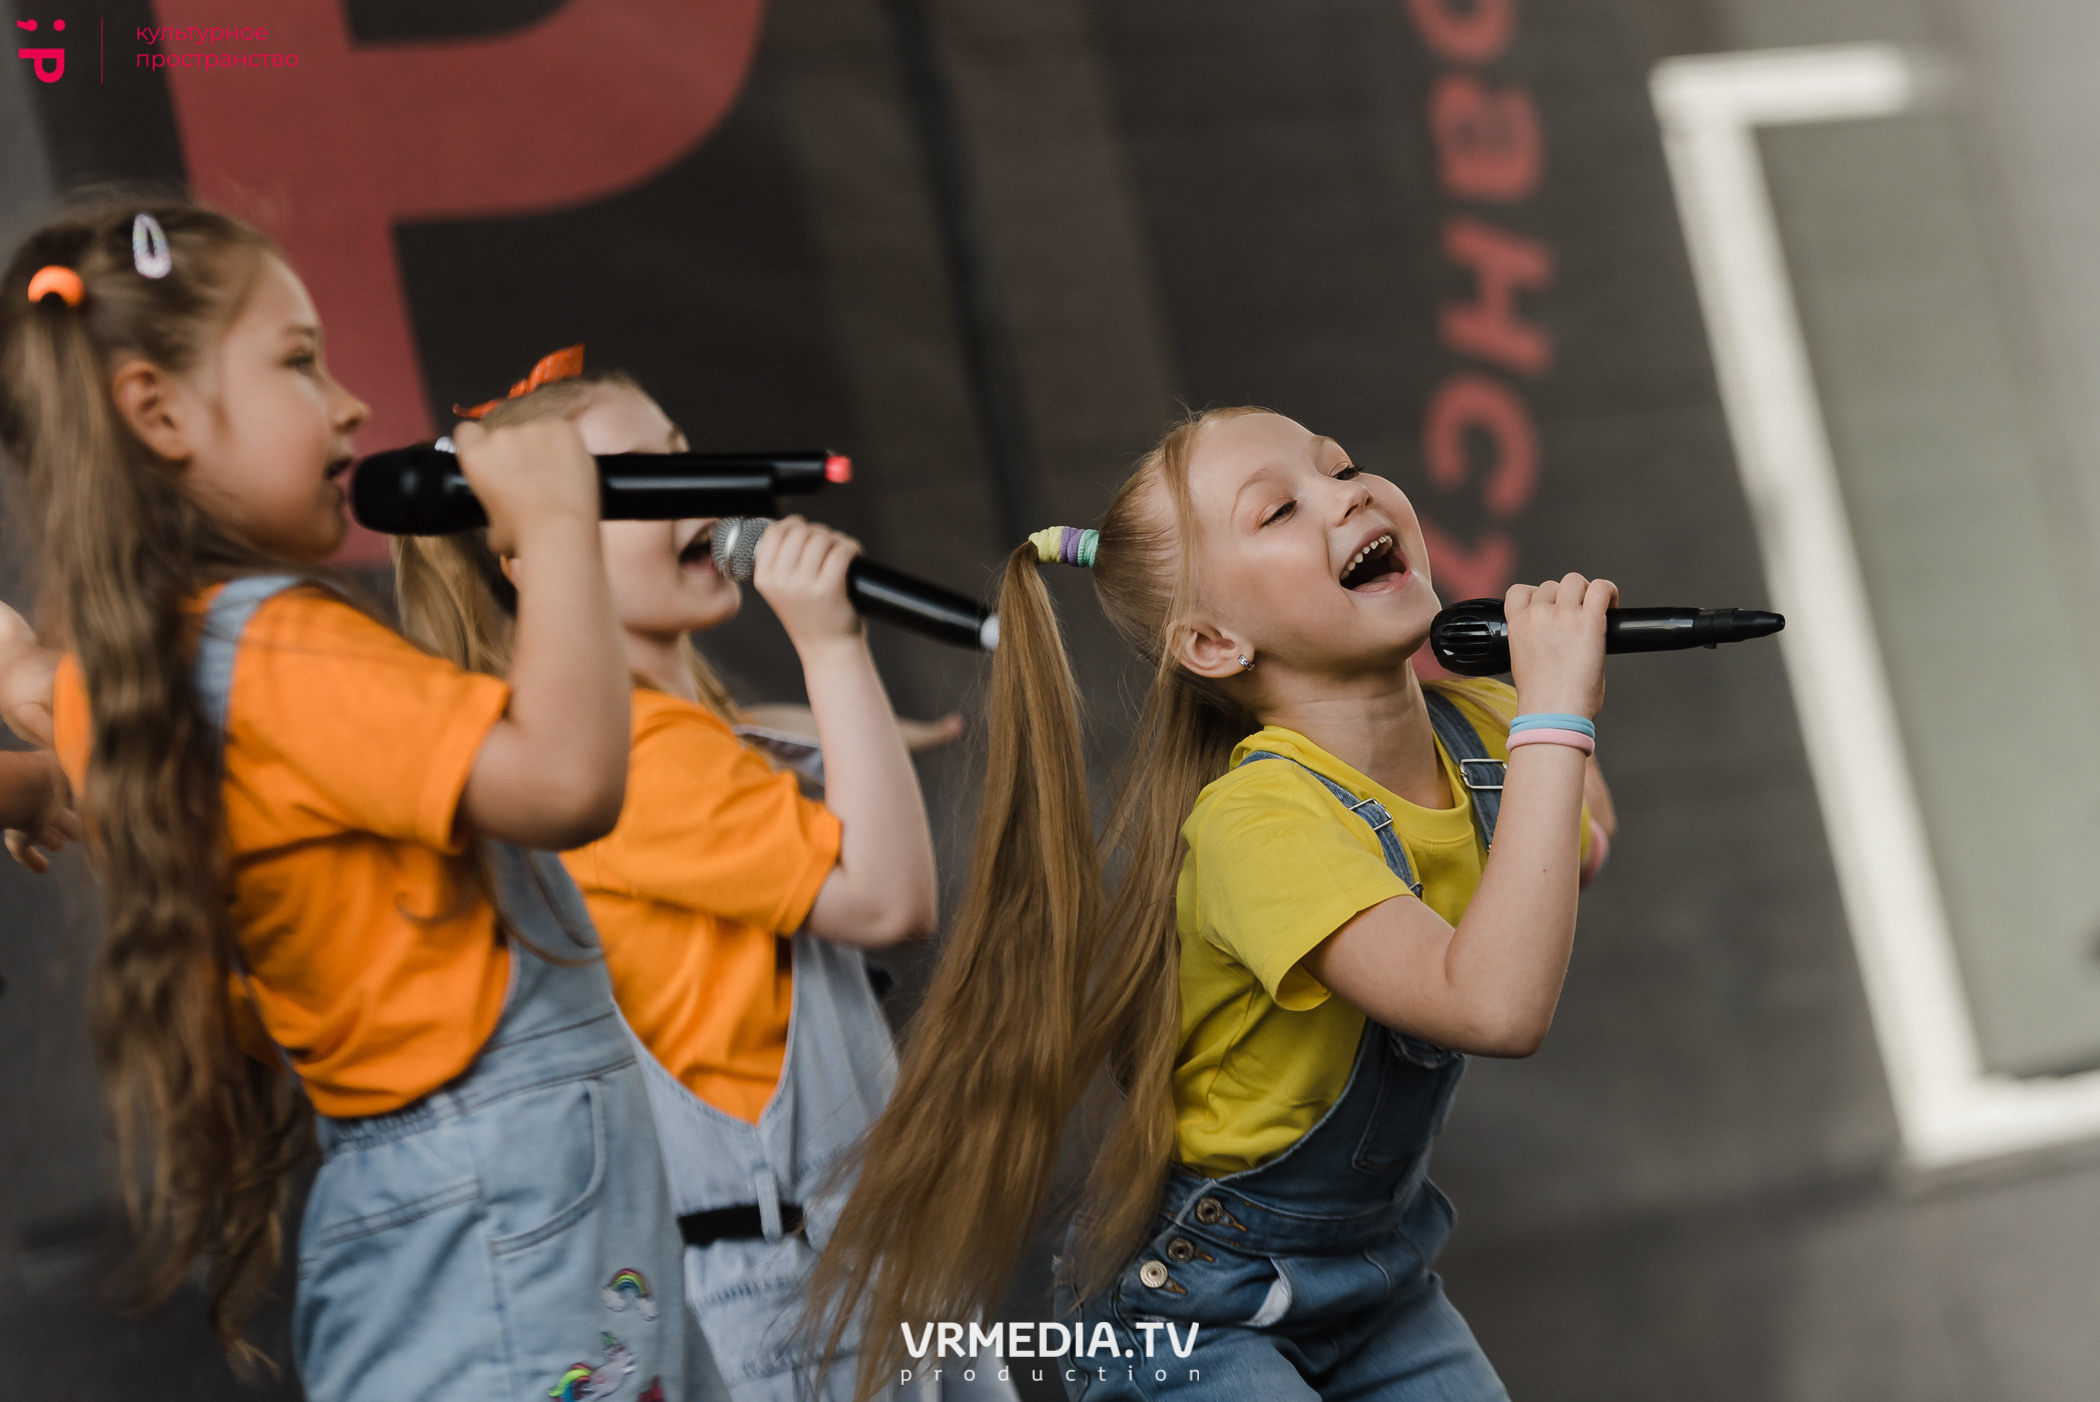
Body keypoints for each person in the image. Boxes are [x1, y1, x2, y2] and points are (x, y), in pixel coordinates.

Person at [0, 199, 724, 1399]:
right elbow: (562, 778)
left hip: (493, 1199)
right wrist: (552, 527)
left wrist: (26, 768)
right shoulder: (274, 649)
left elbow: (74, 730)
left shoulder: (161, 669)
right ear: (157, 412)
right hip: (501, 1201)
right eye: (297, 361)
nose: (347, 402)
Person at [808, 406, 1617, 1400]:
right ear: (1212, 641)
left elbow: (1574, 838)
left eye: (1344, 464)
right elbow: (1495, 1004)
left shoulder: (1491, 726)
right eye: (1280, 509)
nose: (1349, 492)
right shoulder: (1259, 823)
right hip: (1199, 1313)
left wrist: (1543, 731)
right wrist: (1556, 720)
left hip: (1378, 1281)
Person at [394, 358, 1003, 1401]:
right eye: (638, 480)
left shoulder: (687, 735)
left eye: (688, 458)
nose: (699, 490)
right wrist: (832, 644)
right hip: (800, 1286)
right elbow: (892, 899)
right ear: (531, 557)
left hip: (882, 1257)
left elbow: (763, 747)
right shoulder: (636, 753)